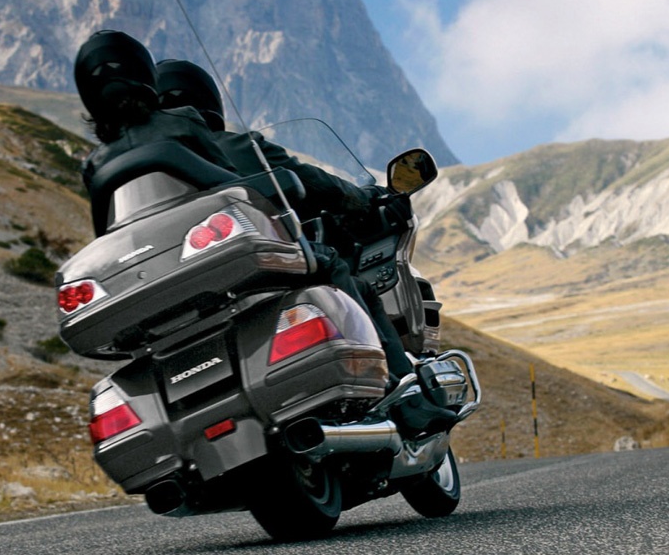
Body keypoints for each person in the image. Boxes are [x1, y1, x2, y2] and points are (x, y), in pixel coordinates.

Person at [153, 59, 419, 379]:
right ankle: (398, 382)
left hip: (174, 301)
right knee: (346, 278)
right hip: (255, 272)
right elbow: (316, 184)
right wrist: (365, 200)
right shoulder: (235, 147)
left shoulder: (147, 171)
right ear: (206, 100)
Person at [74, 32, 238, 233]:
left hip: (138, 242)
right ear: (143, 70)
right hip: (201, 227)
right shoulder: (184, 120)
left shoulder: (94, 165)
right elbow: (231, 178)